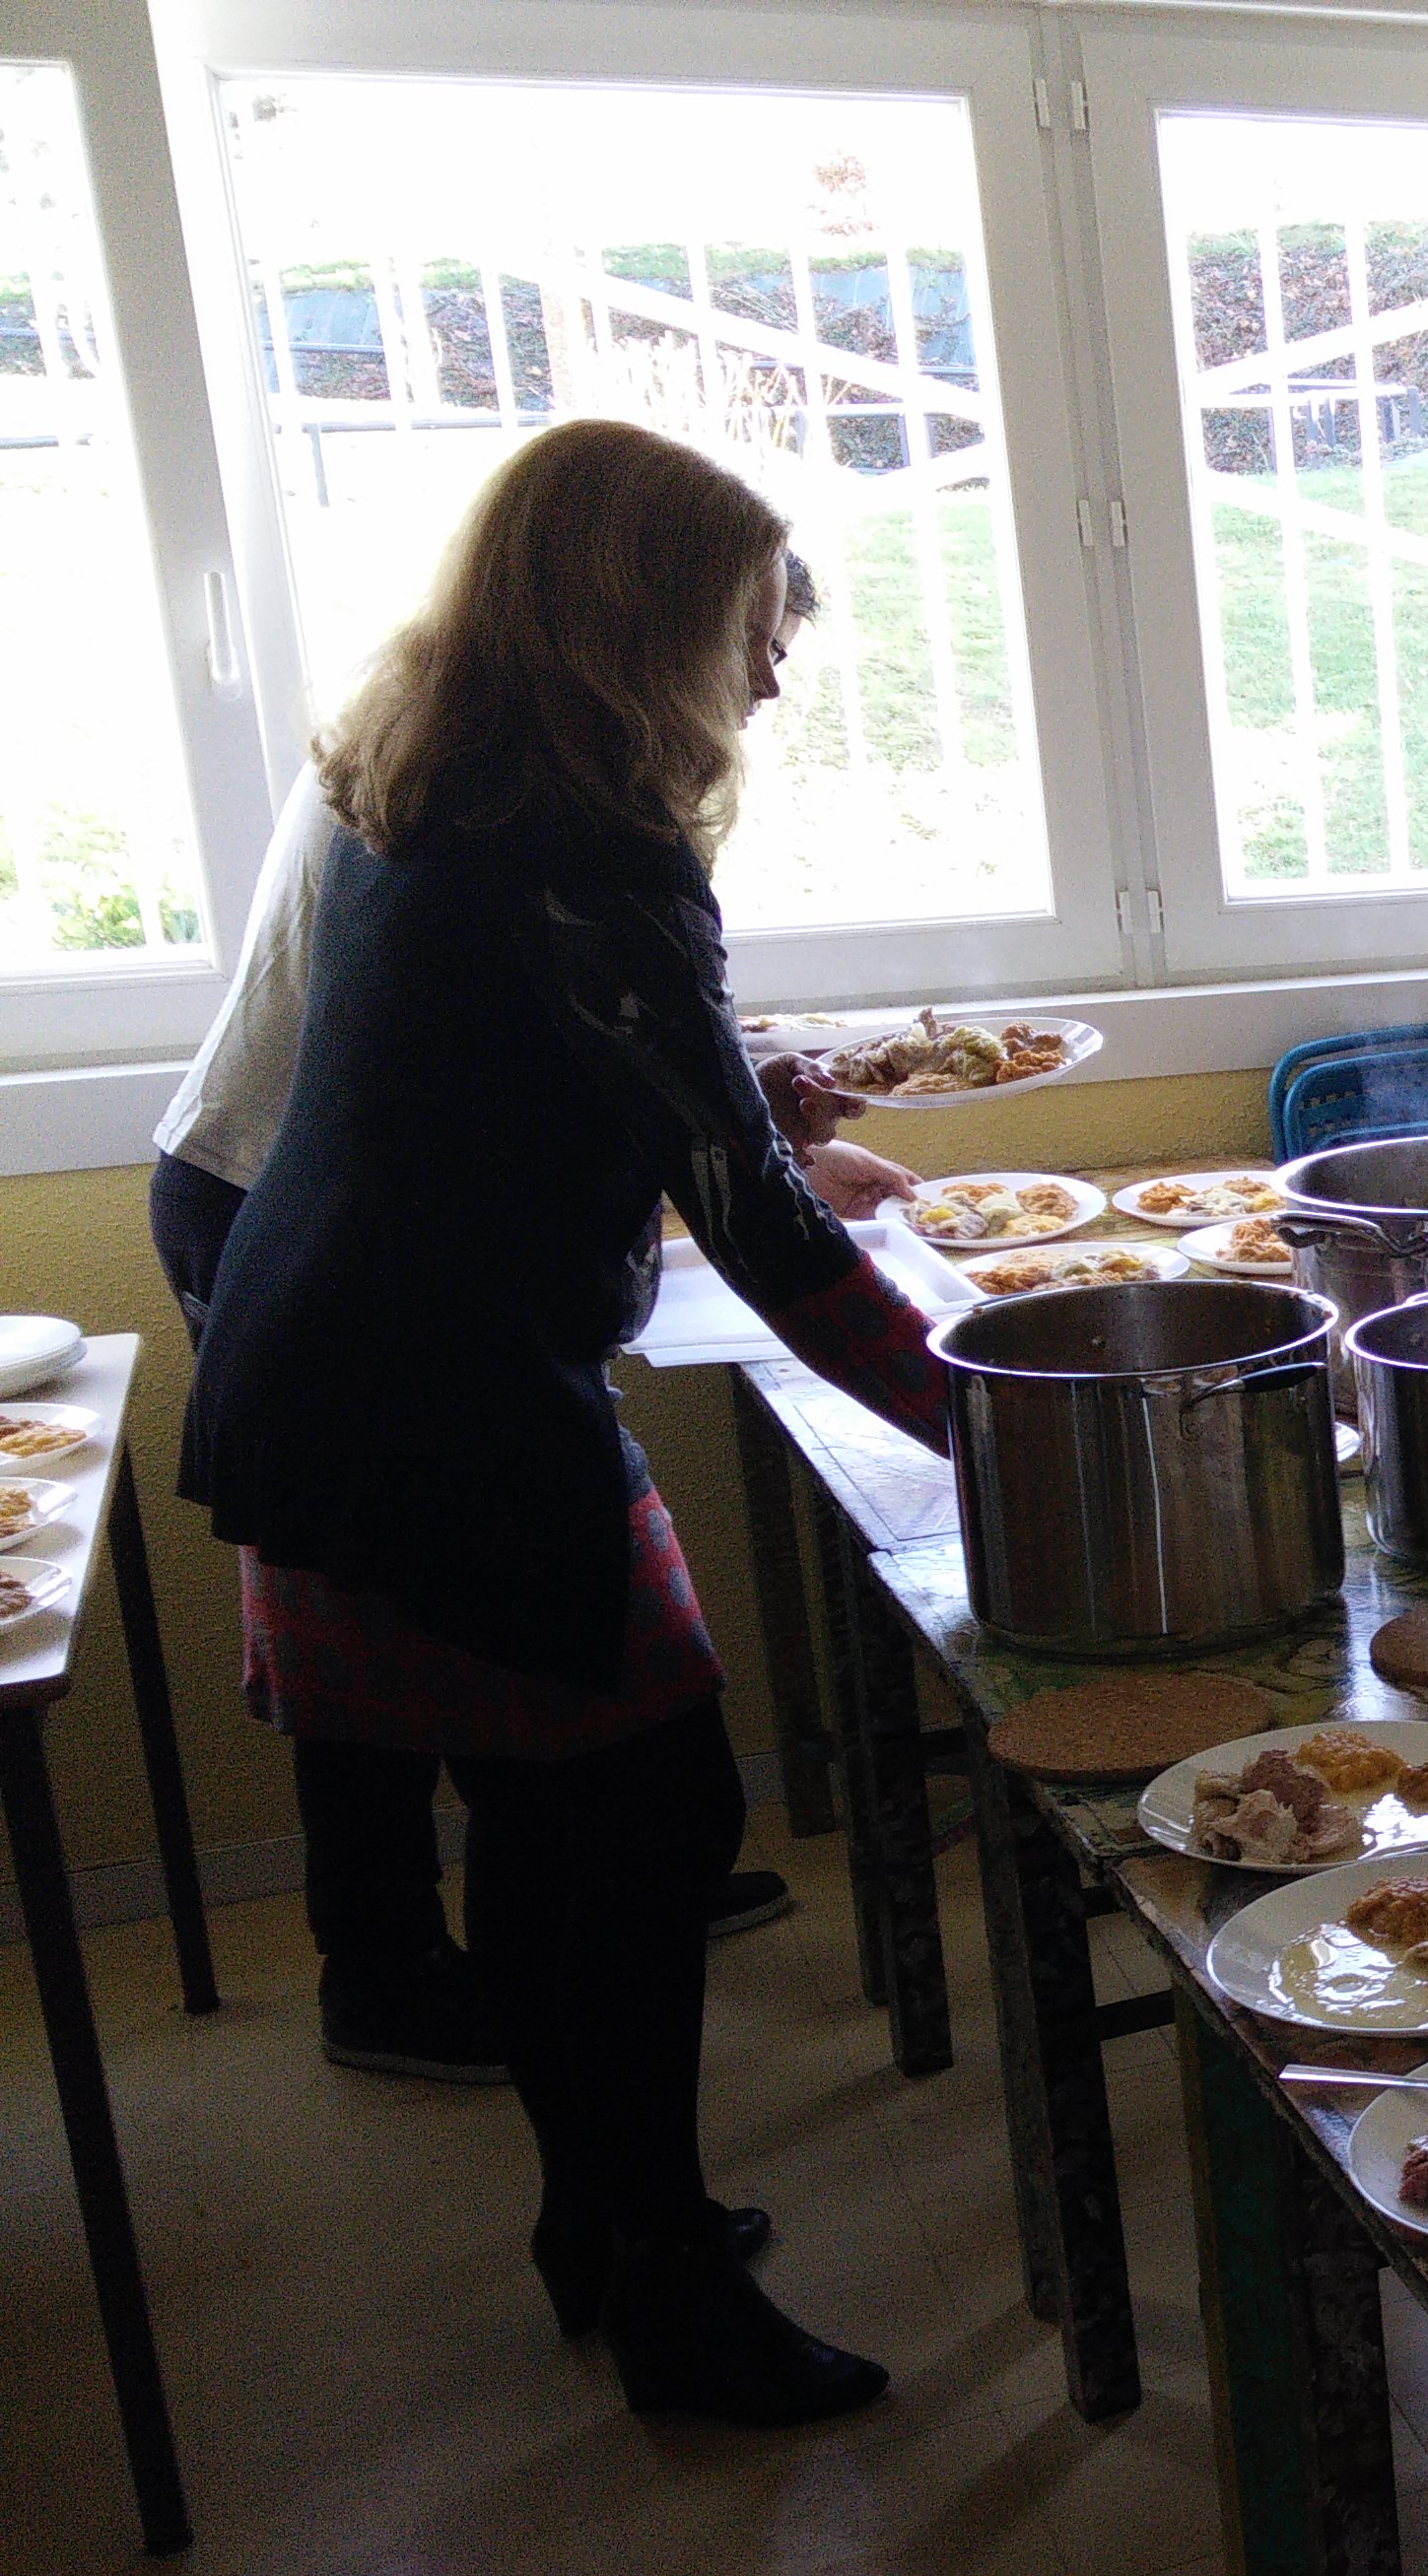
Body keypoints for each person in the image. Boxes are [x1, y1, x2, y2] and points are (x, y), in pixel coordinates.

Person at [180, 421, 942, 2426]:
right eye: (753, 622)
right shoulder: (596, 852)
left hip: (333, 1372)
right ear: (642, 618)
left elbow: (539, 1086)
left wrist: (732, 1104)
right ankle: (665, 2283)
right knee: (650, 1814)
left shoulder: (436, 788)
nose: (774, 666)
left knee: (556, 1817)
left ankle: (602, 2224)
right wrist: (990, 1415)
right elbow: (764, 1234)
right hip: (431, 1403)